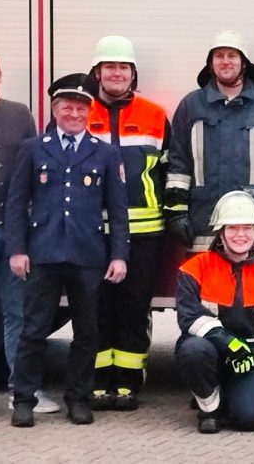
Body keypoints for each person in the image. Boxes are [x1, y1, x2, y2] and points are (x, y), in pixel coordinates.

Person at [4, 74, 129, 427]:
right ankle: (24, 400)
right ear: (55, 110)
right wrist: (17, 249)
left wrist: (119, 255)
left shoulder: (105, 152)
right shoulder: (33, 148)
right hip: (42, 255)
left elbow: (118, 211)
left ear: (89, 112)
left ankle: (78, 398)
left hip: (88, 257)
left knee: (87, 333)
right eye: (66, 107)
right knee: (34, 330)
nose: (73, 114)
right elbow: (16, 204)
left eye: (80, 108)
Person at [85, 36, 171, 411]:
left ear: (133, 73)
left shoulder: (154, 114)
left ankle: (129, 382)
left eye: (123, 67)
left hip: (145, 232)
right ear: (98, 73)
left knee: (135, 307)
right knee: (98, 306)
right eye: (110, 67)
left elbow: (171, 169)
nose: (116, 73)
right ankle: (100, 380)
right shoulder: (81, 113)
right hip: (94, 232)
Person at [165, 30, 254, 253]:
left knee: (249, 287)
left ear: (243, 63)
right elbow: (178, 164)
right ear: (210, 64)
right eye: (219, 56)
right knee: (204, 286)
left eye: (232, 55)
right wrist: (176, 213)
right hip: (202, 221)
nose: (226, 61)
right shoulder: (191, 105)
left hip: (252, 222)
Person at [175, 191, 254, 434]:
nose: (240, 235)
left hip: (250, 354)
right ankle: (209, 409)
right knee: (193, 350)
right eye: (232, 228)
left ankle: (229, 394)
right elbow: (189, 318)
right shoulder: (195, 269)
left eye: (247, 228)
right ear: (220, 233)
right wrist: (228, 343)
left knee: (252, 418)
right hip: (210, 349)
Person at [0, 50, 40, 419]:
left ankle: (23, 390)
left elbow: (36, 168)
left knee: (19, 312)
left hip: (17, 233)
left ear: (0, 76)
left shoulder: (20, 115)